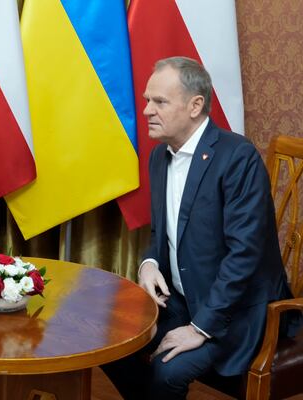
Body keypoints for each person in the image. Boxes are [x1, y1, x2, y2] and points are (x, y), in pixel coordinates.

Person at [101, 56, 299, 399]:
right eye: (148, 99)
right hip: (181, 298)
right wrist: (149, 264)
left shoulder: (238, 158)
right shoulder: (159, 156)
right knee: (109, 343)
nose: (147, 110)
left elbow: (244, 257)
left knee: (167, 370)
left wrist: (200, 328)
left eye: (159, 101)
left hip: (238, 311)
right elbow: (160, 235)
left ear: (196, 106)